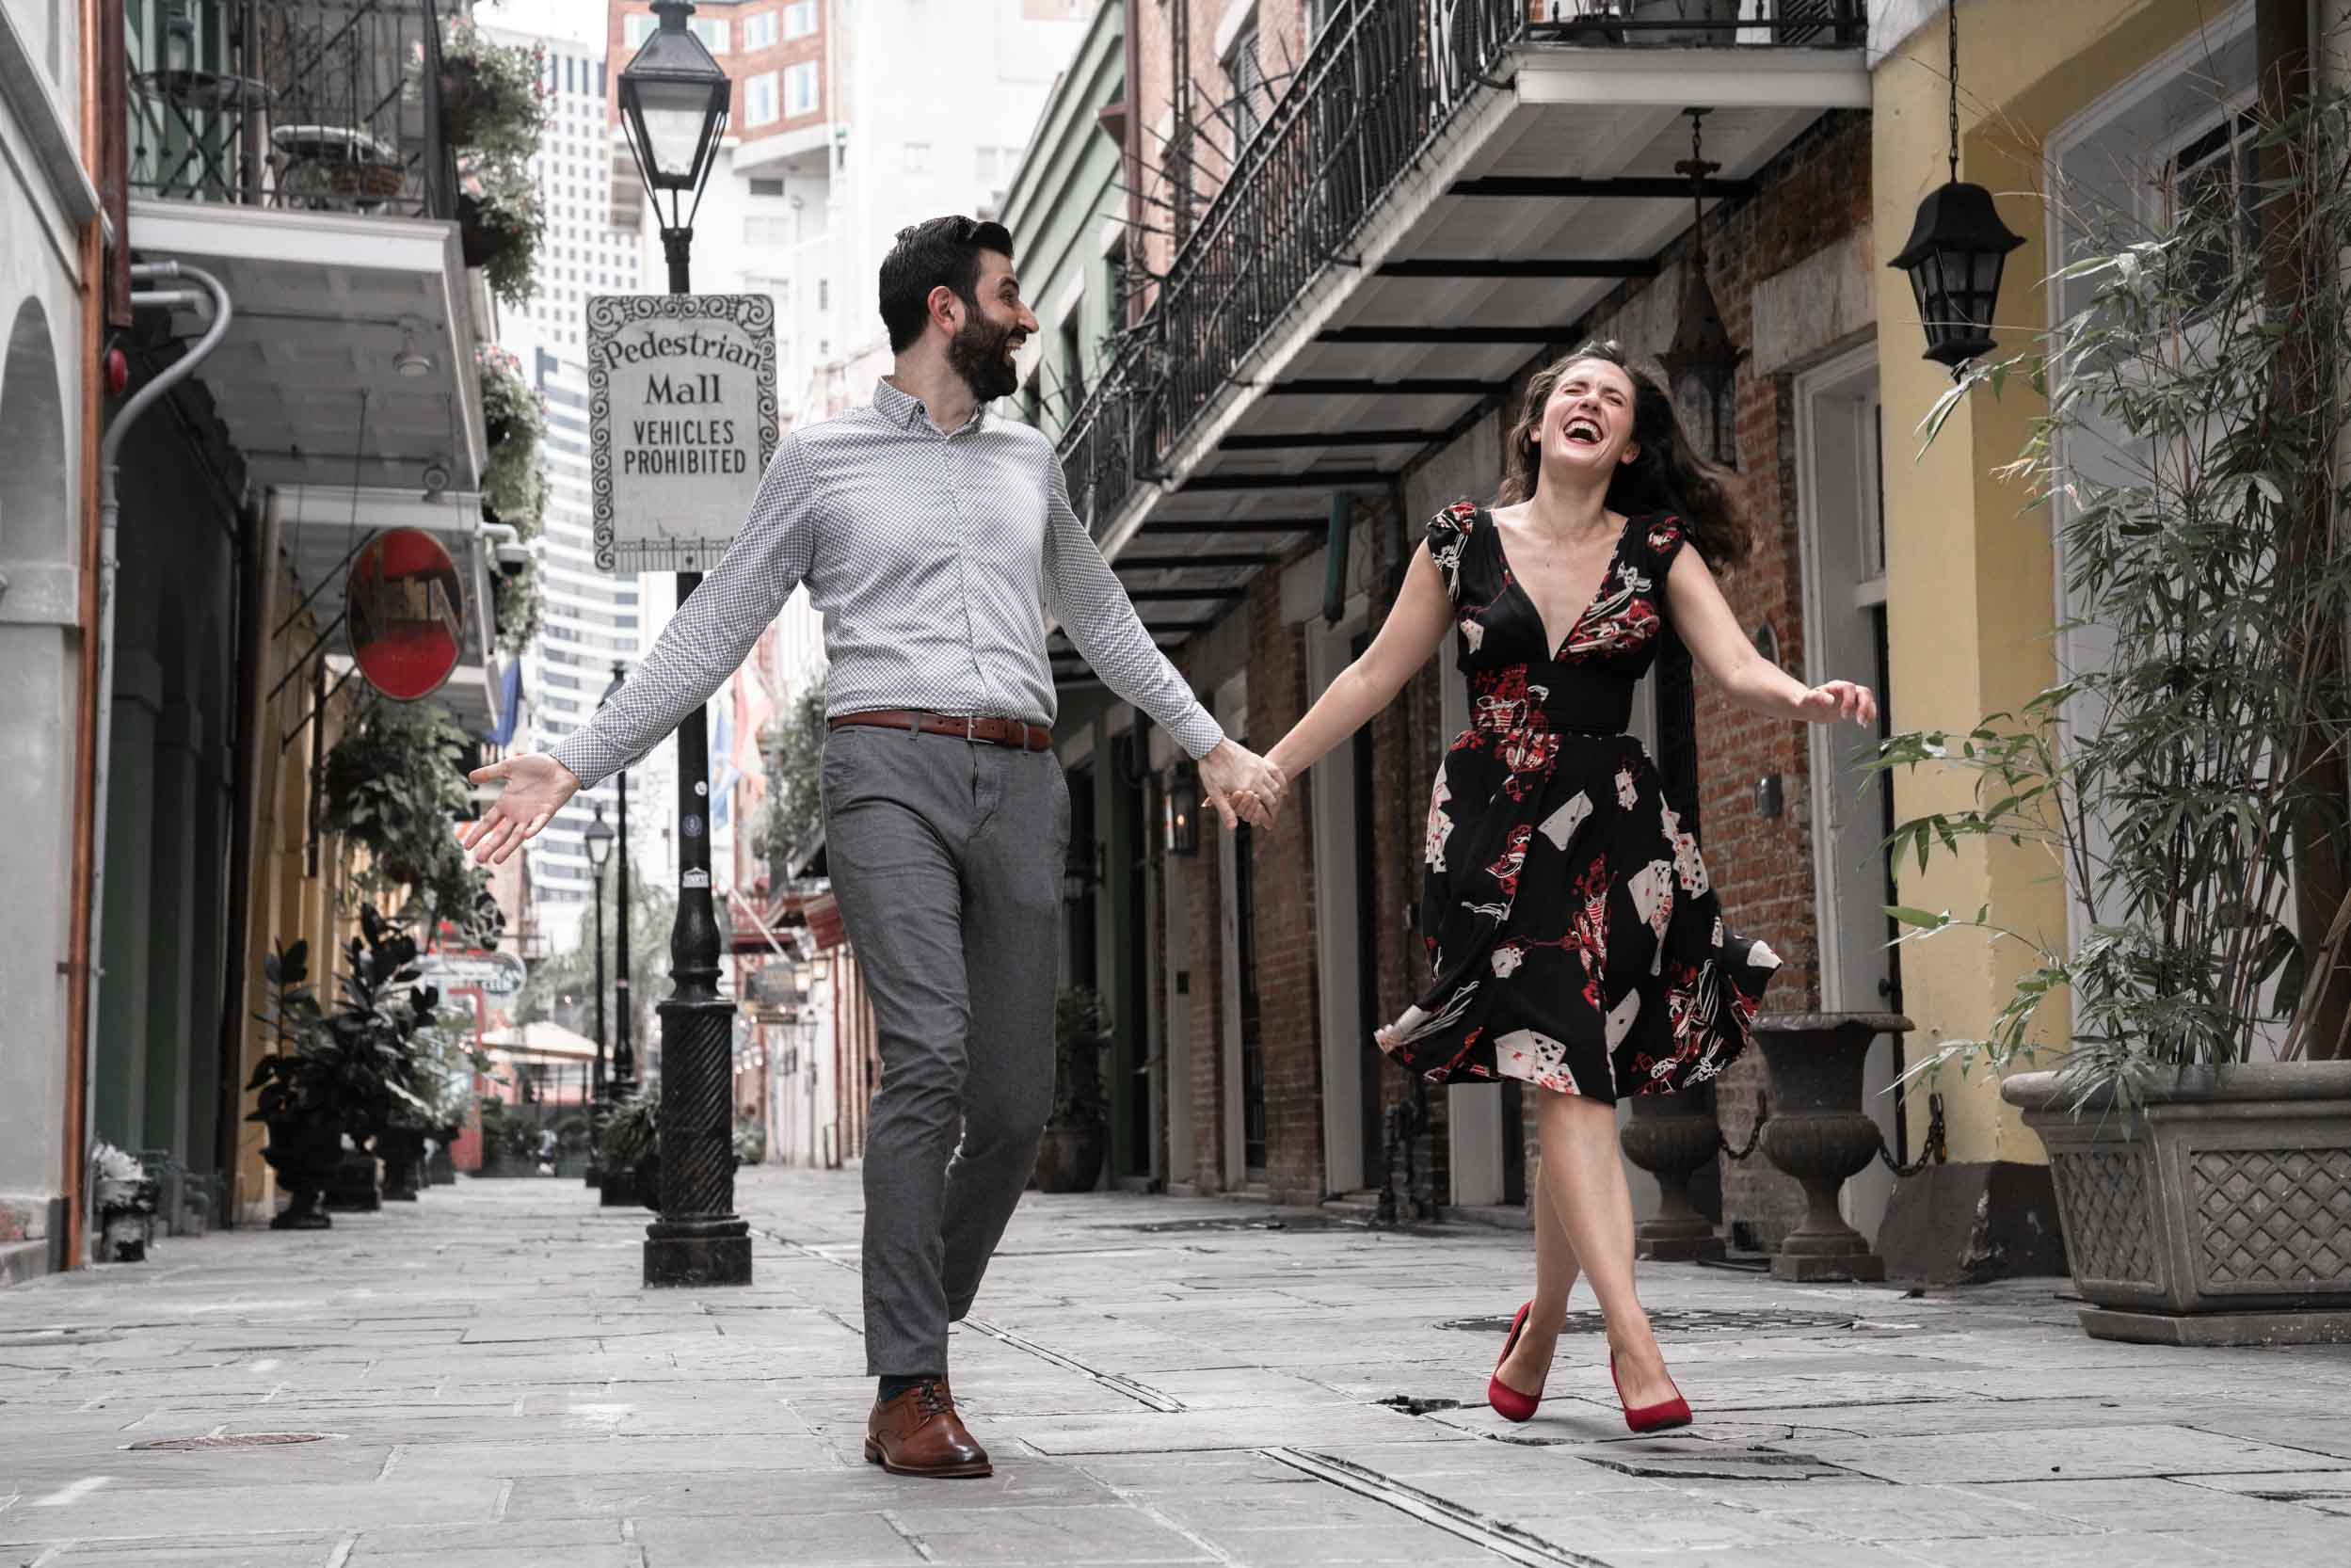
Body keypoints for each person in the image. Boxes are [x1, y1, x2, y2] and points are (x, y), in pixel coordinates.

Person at [457, 216, 1287, 1478]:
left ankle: (912, 1306)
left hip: (1018, 770)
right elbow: (713, 627)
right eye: (1010, 298)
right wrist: (577, 756)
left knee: (1013, 1105)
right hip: (883, 764)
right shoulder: (823, 459)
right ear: (946, 310)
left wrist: (1208, 741)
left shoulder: (1028, 460)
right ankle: (909, 1381)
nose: (1022, 320)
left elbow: (1102, 615)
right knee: (932, 1057)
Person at [1262, 341, 1875, 1432]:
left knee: (1571, 1081)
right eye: (1571, 394)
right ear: (1537, 428)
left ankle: (1542, 1328)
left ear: (1628, 441)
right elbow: (1369, 673)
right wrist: (1272, 763)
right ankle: (1633, 1343)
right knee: (1572, 1082)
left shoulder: (1655, 547)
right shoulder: (1458, 540)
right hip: (1494, 836)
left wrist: (1807, 699)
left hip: (1613, 834)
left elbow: (1735, 665)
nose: (1589, 405)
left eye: (1613, 399)